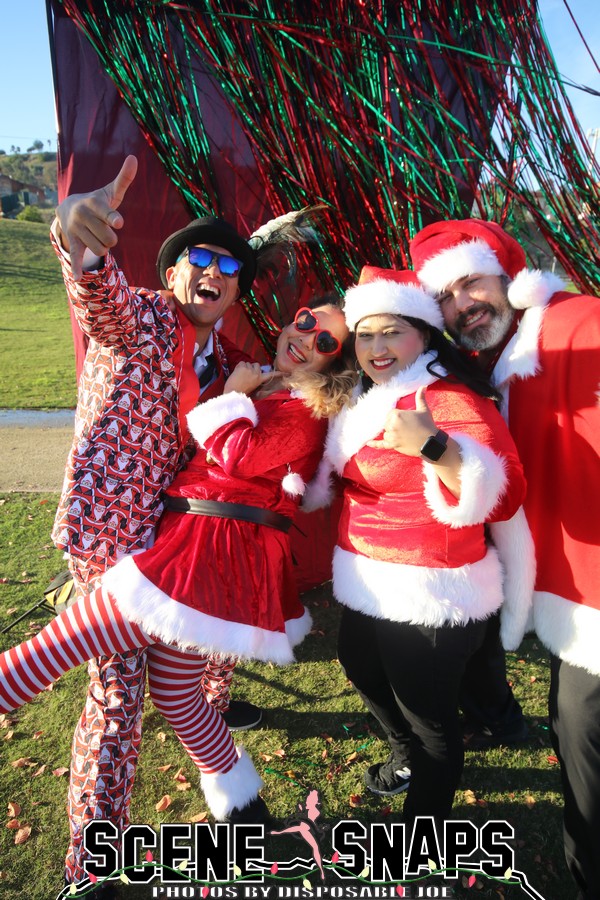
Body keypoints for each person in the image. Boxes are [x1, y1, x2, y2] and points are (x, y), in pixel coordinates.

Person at [50, 154, 313, 890]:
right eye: (197, 256)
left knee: (206, 645)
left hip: (177, 542)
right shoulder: (144, 320)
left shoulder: (227, 354)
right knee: (118, 696)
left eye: (228, 263)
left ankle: (215, 726)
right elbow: (99, 299)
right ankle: (92, 863)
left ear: (235, 286)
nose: (213, 268)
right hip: (112, 540)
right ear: (171, 275)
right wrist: (79, 240)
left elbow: (249, 427)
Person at [0, 299, 353, 829]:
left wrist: (233, 397)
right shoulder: (274, 383)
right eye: (306, 320)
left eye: (325, 341)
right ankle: (244, 805)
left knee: (46, 653)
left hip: (204, 557)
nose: (306, 337)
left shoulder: (308, 409)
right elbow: (208, 338)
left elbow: (236, 454)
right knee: (177, 693)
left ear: (335, 364)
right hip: (200, 549)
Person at [410, 217, 600, 899]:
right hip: (570, 593)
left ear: (508, 278)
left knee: (583, 730)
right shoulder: (491, 369)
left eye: (472, 282)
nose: (464, 304)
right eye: (447, 298)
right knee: (575, 731)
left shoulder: (573, 324)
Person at [304, 266, 530, 827]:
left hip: (432, 589)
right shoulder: (369, 393)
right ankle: (407, 758)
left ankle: (420, 830)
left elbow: (506, 494)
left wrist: (437, 448)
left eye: (391, 332)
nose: (376, 347)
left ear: (425, 335)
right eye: (366, 334)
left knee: (431, 722)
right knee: (360, 668)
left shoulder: (445, 396)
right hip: (367, 577)